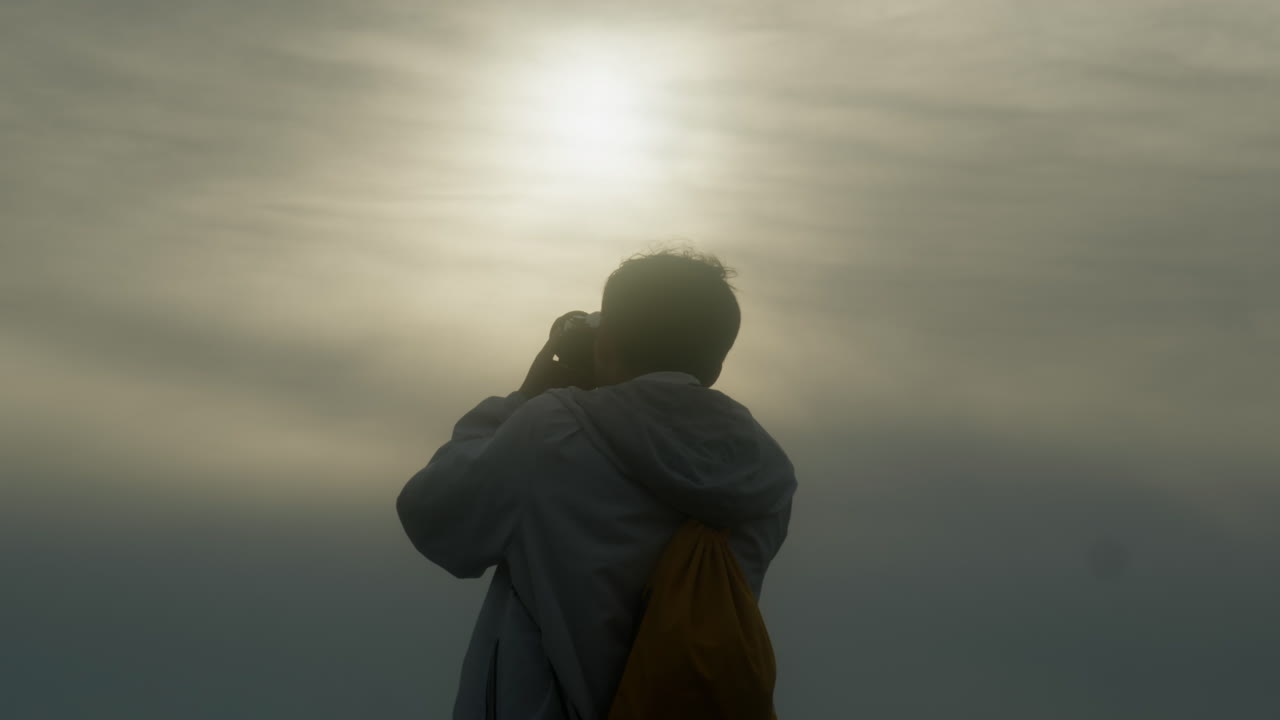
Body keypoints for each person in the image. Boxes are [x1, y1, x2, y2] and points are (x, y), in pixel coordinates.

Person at [396, 248, 797, 720]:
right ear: (715, 363)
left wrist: (524, 400)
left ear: (607, 343)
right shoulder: (765, 472)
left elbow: (435, 516)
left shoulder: (553, 430)